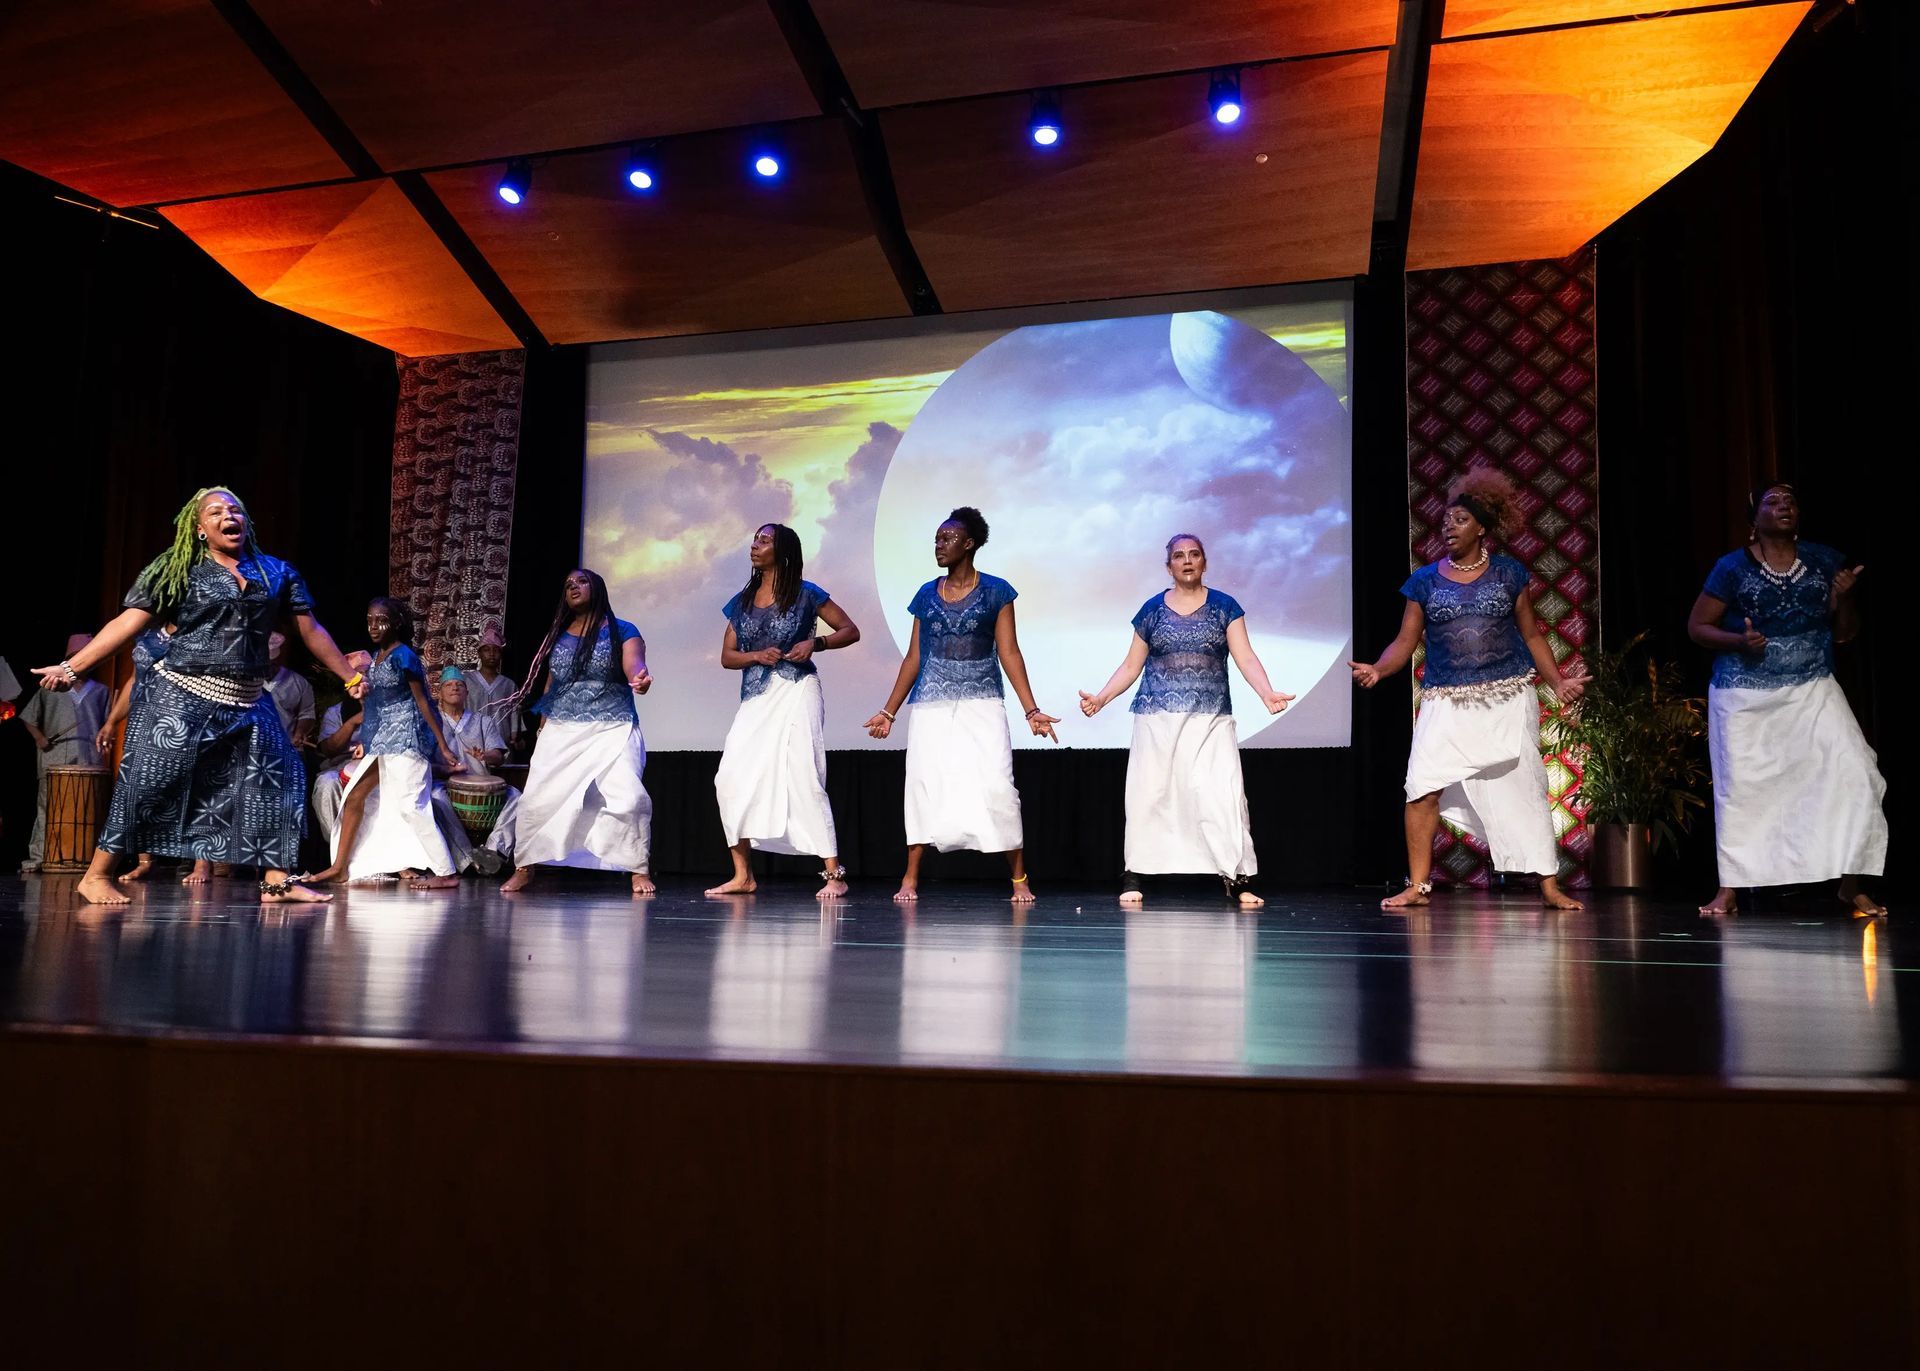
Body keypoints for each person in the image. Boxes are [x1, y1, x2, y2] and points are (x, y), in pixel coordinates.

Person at [34, 486, 364, 906]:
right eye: (217, 511)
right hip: (182, 696)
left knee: (281, 779)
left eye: (236, 509)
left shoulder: (276, 572)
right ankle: (96, 875)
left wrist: (349, 676)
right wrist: (71, 667)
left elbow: (310, 630)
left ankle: (277, 882)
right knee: (149, 783)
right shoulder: (178, 570)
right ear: (200, 527)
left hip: (248, 698)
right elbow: (128, 622)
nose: (230, 515)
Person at [1350, 469, 1588, 912]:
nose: (1447, 526)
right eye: (1445, 519)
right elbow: (1405, 641)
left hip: (1506, 698)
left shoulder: (1508, 575)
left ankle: (1550, 886)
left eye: (1459, 519)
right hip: (1445, 701)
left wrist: (1557, 682)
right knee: (1421, 787)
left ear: (1482, 527)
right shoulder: (1424, 581)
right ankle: (1419, 887)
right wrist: (1380, 671)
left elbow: (1533, 636)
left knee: (1527, 790)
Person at [1687, 483, 1886, 917]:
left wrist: (1845, 598)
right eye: (1773, 502)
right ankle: (1730, 888)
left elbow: (1846, 633)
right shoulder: (1731, 568)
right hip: (1744, 693)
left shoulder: (1823, 560)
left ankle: (1850, 886)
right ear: (1752, 521)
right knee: (1741, 791)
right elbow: (1698, 627)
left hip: (1813, 686)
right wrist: (1739, 641)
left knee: (1857, 772)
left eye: (1791, 501)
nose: (1784, 507)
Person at [1079, 535, 1294, 907]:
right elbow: (1132, 665)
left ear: (1204, 562)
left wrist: (1267, 692)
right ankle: (1135, 873)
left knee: (1221, 793)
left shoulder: (1225, 607)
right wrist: (1101, 697)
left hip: (1210, 717)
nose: (1187, 560)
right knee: (1150, 793)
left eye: (1194, 554)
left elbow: (1245, 657)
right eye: (1179, 556)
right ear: (1169, 567)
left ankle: (1238, 877)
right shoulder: (1151, 611)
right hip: (1157, 718)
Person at [864, 507, 1057, 903]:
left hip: (982, 702)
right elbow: (914, 658)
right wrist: (888, 711)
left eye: (947, 539)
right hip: (931, 705)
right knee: (923, 783)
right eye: (936, 539)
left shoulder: (997, 591)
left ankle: (1019, 878)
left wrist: (1031, 710)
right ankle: (911, 876)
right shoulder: (925, 594)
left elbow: (1009, 652)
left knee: (997, 786)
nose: (939, 545)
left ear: (969, 544)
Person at [706, 524, 861, 899]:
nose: (755, 545)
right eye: (755, 539)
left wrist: (816, 643)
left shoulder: (807, 594)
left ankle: (833, 874)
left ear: (783, 549)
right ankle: (743, 875)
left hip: (796, 688)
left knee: (804, 773)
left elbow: (850, 630)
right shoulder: (742, 601)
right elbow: (728, 656)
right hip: (757, 696)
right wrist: (756, 655)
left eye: (764, 540)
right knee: (728, 779)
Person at [496, 569, 654, 896]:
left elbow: (634, 663)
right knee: (538, 799)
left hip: (612, 724)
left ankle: (637, 866)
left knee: (627, 796)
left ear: (597, 588)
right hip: (562, 726)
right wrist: (544, 719)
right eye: (568, 584)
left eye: (580, 581)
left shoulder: (623, 630)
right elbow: (554, 680)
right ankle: (525, 866)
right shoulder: (559, 634)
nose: (573, 587)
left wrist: (640, 676)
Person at [305, 598, 461, 888]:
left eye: (382, 620)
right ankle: (339, 868)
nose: (374, 626)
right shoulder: (377, 657)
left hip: (407, 740)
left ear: (397, 623)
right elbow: (377, 704)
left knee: (411, 805)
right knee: (353, 797)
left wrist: (442, 745)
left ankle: (446, 873)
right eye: (369, 620)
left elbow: (424, 703)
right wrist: (366, 726)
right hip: (383, 741)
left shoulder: (404, 656)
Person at [92, 623, 204, 885]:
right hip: (144, 720)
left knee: (196, 789)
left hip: (183, 719)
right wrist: (111, 722)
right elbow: (134, 679)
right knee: (141, 789)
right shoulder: (147, 635)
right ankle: (145, 862)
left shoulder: (201, 631)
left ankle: (201, 865)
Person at [18, 634, 109, 873]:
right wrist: (39, 738)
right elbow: (28, 717)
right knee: (47, 808)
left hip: (89, 757)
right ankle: (38, 857)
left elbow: (107, 724)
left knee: (89, 809)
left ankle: (88, 858)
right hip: (54, 756)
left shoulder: (101, 691)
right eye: (74, 657)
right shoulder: (50, 688)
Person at [435, 667, 519, 863]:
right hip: (444, 784)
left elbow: (498, 756)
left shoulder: (484, 721)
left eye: (459, 685)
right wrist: (446, 770)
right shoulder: (433, 723)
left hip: (483, 786)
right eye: (448, 685)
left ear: (467, 692)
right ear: (440, 692)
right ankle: (466, 860)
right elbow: (424, 764)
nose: (454, 687)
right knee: (435, 796)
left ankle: (493, 852)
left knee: (515, 796)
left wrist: (485, 755)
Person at [463, 625, 525, 755]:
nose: (491, 654)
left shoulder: (509, 685)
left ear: (501, 655)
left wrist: (516, 738)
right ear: (479, 653)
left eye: (496, 650)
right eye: (486, 650)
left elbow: (515, 721)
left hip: (501, 748)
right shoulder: (466, 681)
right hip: (472, 746)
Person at [264, 631, 317, 748]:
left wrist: (300, 732)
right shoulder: (246, 679)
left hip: (285, 747)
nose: (265, 669)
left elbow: (307, 713)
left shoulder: (299, 683)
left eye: (270, 665)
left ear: (277, 661)